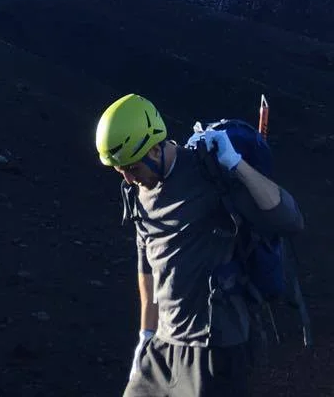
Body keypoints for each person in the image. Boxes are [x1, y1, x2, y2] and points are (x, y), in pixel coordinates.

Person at [95, 93, 304, 397]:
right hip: (162, 347)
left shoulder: (208, 174)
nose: (128, 178)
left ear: (154, 148)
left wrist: (236, 164)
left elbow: (291, 221)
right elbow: (148, 263)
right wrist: (146, 334)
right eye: (121, 170)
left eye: (133, 168)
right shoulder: (135, 190)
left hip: (213, 346)